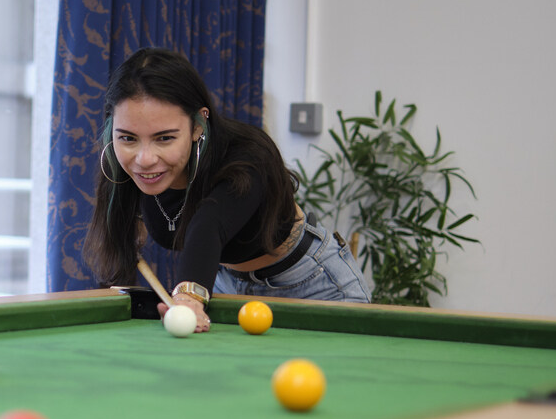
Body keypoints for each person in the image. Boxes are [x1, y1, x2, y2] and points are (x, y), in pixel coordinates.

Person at [82, 48, 370, 334]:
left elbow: (210, 223)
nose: (144, 159)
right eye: (128, 138)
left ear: (197, 125)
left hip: (311, 283)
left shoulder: (247, 156)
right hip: (226, 288)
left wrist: (188, 297)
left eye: (165, 138)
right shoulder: (122, 167)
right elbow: (121, 251)